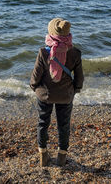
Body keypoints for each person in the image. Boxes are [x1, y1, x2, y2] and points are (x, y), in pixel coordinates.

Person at [30, 18, 84, 167]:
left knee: (43, 122)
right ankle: (61, 157)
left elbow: (35, 78)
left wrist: (35, 88)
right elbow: (79, 79)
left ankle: (43, 155)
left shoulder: (43, 52)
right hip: (66, 95)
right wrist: (75, 90)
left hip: (45, 95)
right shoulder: (75, 53)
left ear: (51, 32)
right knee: (64, 125)